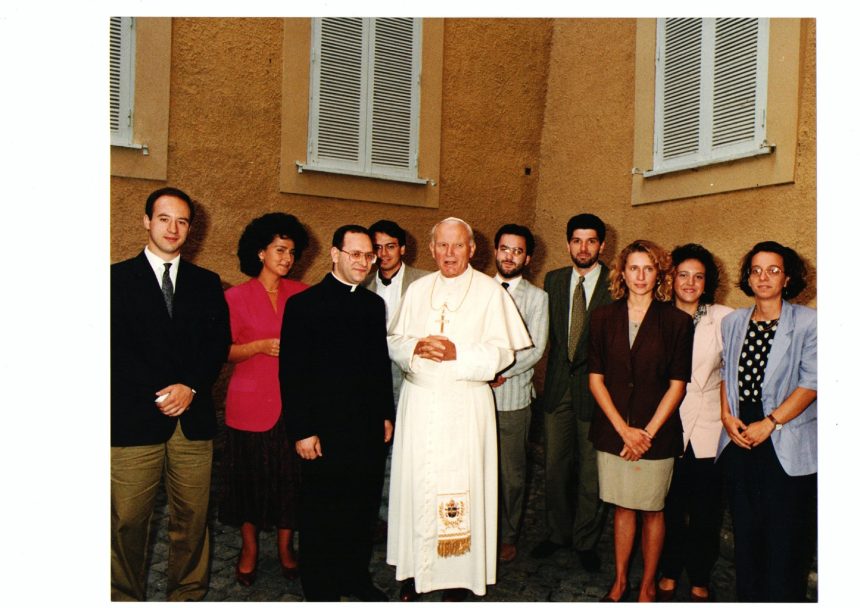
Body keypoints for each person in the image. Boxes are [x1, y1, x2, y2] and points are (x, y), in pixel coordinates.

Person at [386, 217, 532, 600]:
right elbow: (394, 340)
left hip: (465, 407)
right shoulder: (417, 290)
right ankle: (416, 573)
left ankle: (459, 577)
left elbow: (503, 352)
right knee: (418, 485)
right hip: (420, 404)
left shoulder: (490, 293)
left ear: (472, 250)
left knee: (463, 487)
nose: (449, 253)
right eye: (442, 246)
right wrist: (414, 348)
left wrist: (457, 353)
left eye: (457, 246)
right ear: (432, 249)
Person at [111, 187, 231, 601]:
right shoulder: (114, 280)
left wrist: (191, 386)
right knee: (126, 520)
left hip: (192, 423)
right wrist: (160, 393)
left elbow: (217, 344)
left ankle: (188, 595)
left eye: (181, 221)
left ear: (190, 229)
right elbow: (111, 350)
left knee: (193, 519)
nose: (173, 228)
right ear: (147, 221)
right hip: (131, 422)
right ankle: (122, 595)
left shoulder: (207, 283)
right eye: (164, 218)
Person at [279, 225, 394, 602]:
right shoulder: (304, 305)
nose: (364, 262)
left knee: (361, 510)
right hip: (322, 432)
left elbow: (379, 367)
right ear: (335, 254)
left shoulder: (373, 305)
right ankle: (320, 587)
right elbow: (292, 374)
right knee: (321, 512)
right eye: (355, 254)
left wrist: (385, 415)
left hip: (365, 431)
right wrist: (302, 430)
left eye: (369, 255)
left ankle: (354, 579)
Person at [588, 239, 693, 602]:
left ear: (658, 273)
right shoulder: (603, 316)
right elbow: (595, 379)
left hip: (656, 436)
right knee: (622, 507)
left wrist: (645, 434)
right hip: (614, 432)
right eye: (633, 267)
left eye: (648, 268)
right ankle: (620, 580)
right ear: (622, 272)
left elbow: (677, 387)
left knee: (652, 509)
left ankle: (647, 584)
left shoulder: (677, 322)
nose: (640, 275)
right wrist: (623, 430)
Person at [715, 241, 816, 602]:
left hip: (784, 437)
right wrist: (727, 416)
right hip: (741, 435)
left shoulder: (807, 322)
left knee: (785, 538)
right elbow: (726, 373)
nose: (763, 277)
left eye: (773, 270)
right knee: (747, 532)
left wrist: (770, 422)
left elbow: (812, 383)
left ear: (787, 277)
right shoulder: (733, 322)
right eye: (756, 270)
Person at [218, 212, 309, 586]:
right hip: (249, 405)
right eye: (280, 250)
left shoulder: (302, 295)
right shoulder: (235, 297)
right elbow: (224, 351)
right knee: (249, 482)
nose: (287, 258)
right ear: (260, 252)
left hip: (292, 404)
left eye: (292, 252)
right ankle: (249, 548)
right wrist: (257, 346)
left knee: (291, 480)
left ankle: (287, 548)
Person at [533, 213, 612, 573]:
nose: (583, 248)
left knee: (590, 472)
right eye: (577, 241)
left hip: (596, 392)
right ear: (568, 244)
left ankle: (585, 541)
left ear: (602, 245)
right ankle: (557, 534)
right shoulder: (554, 280)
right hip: (557, 389)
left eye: (591, 241)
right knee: (555, 467)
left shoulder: (616, 283)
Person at [656, 244, 733, 602]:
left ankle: (700, 573)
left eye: (698, 276)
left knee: (705, 509)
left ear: (707, 282)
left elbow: (732, 371)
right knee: (668, 505)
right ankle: (669, 569)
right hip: (667, 425)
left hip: (708, 426)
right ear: (671, 278)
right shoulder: (658, 317)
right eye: (683, 274)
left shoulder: (723, 317)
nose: (690, 282)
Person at [362, 219, 429, 526]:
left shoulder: (425, 282)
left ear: (402, 249)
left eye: (390, 246)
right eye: (377, 247)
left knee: (408, 447)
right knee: (376, 443)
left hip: (410, 376)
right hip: (372, 379)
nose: (384, 254)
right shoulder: (361, 283)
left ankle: (401, 517)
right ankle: (376, 514)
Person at [489, 224, 549, 563]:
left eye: (517, 251)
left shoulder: (537, 298)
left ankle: (508, 535)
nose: (510, 256)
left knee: (511, 474)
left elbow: (536, 348)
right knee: (476, 470)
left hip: (512, 399)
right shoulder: (478, 289)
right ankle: (480, 532)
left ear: (527, 258)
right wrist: (482, 372)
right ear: (496, 251)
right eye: (505, 249)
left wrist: (501, 372)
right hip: (475, 398)